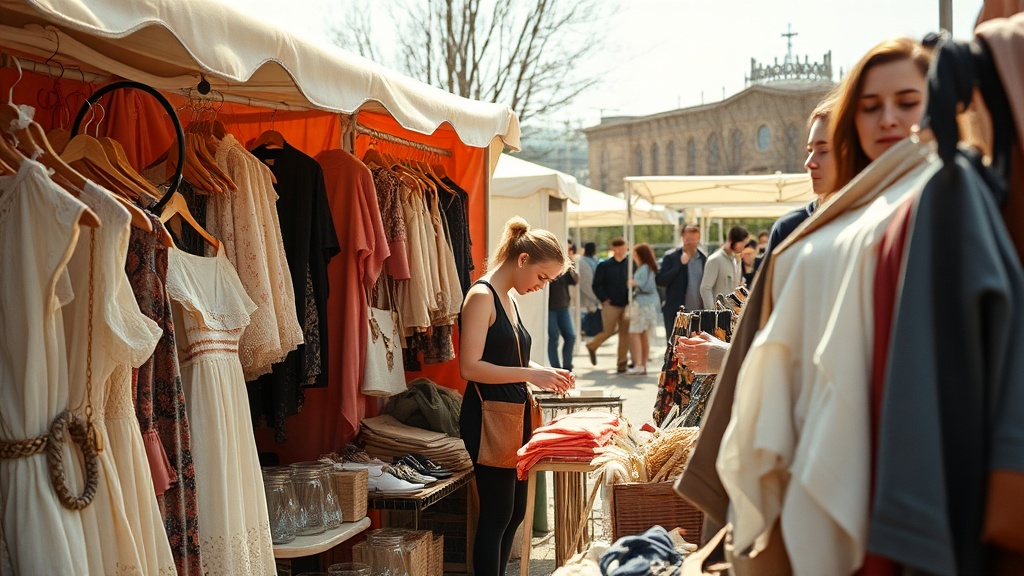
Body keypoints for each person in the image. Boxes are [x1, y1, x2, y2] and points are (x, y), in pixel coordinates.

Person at [678, 37, 930, 374]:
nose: (810, 162)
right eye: (871, 107)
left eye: (824, 149)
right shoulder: (796, 229)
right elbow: (780, 333)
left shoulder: (924, 212)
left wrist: (725, 358)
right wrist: (728, 357)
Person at [458, 216, 574, 576]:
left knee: (515, 513)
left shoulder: (508, 297)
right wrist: (530, 374)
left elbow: (510, 357)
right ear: (522, 259)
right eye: (542, 277)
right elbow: (470, 367)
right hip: (488, 418)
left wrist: (545, 372)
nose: (542, 286)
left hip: (512, 415)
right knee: (497, 514)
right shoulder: (482, 296)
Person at [585, 237, 632, 373]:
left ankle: (622, 363)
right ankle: (592, 345)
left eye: (622, 248)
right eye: (617, 249)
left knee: (625, 333)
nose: (620, 251)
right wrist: (604, 299)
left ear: (626, 248)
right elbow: (596, 285)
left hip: (627, 304)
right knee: (609, 330)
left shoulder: (630, 264)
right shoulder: (604, 265)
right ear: (613, 249)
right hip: (610, 304)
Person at [655, 223, 706, 336]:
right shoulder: (671, 257)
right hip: (676, 312)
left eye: (694, 239)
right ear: (682, 237)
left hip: (698, 313)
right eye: (688, 239)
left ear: (699, 239)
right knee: (675, 344)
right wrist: (680, 264)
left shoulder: (703, 259)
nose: (691, 242)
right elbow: (660, 280)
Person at [626, 243, 661, 376]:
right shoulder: (649, 267)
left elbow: (642, 284)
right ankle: (643, 365)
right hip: (649, 304)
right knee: (644, 335)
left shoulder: (644, 268)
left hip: (641, 304)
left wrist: (632, 283)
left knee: (635, 333)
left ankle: (638, 364)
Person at [699, 225, 748, 309]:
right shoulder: (715, 260)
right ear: (733, 241)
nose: (744, 246)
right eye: (742, 243)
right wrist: (712, 311)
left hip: (733, 312)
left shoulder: (735, 260)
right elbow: (705, 288)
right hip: (719, 313)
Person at [547, 263, 578, 372]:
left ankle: (567, 367)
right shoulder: (547, 264)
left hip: (563, 306)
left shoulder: (564, 267)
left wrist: (571, 264)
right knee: (553, 338)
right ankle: (556, 369)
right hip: (549, 308)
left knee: (570, 336)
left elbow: (574, 281)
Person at [578, 241, 601, 338]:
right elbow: (586, 282)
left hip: (595, 294)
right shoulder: (582, 262)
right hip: (589, 296)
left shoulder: (594, 260)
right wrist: (596, 296)